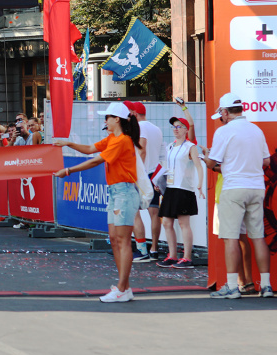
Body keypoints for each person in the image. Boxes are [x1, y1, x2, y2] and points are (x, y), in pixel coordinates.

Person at [54, 102, 141, 302]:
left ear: (116, 119)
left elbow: (95, 160)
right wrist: (68, 143)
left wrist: (68, 171)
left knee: (123, 240)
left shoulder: (122, 140)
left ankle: (121, 288)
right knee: (115, 239)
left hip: (124, 192)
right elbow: (89, 149)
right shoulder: (113, 138)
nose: (105, 120)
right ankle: (124, 288)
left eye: (107, 117)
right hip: (116, 192)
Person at [204, 93, 273, 298]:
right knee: (258, 237)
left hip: (234, 187)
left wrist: (206, 155)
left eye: (222, 114)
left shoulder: (224, 132)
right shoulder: (256, 130)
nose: (222, 118)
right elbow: (267, 162)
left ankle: (233, 286)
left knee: (231, 238)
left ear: (225, 112)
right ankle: (266, 286)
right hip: (256, 187)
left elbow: (210, 163)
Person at [155, 117, 204, 268]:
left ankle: (187, 257)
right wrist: (160, 181)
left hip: (184, 189)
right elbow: (167, 167)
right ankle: (173, 255)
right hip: (170, 188)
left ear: (186, 129)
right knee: (167, 222)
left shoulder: (191, 147)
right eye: (174, 126)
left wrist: (200, 184)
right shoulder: (170, 146)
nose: (176, 129)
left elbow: (199, 166)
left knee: (184, 223)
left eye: (179, 126)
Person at [124, 101, 163, 263]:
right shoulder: (156, 128)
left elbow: (142, 149)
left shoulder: (141, 128)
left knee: (134, 213)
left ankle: (141, 251)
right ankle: (153, 248)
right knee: (154, 213)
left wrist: (135, 173)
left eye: (128, 113)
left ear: (133, 112)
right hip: (154, 173)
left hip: (143, 174)